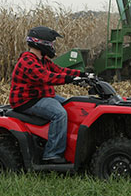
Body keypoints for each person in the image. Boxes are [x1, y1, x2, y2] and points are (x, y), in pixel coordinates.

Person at [9, 26, 86, 164]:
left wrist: (82, 75)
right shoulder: (28, 61)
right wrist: (69, 79)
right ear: (41, 43)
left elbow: (59, 70)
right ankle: (52, 154)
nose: (52, 46)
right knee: (59, 113)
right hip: (27, 100)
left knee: (71, 105)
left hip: (40, 95)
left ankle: (69, 147)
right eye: (51, 43)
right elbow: (47, 77)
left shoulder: (42, 59)